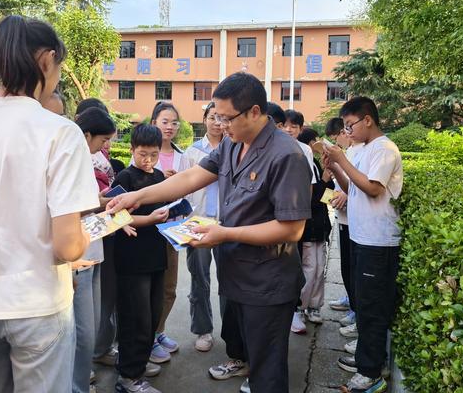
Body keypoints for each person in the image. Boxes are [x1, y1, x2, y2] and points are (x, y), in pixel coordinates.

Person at [108, 73, 312, 393]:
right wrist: (138, 196)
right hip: (237, 275)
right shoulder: (232, 143)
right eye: (216, 117)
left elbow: (292, 228)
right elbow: (191, 177)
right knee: (247, 355)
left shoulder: (287, 154)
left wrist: (225, 234)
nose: (221, 125)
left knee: (267, 371)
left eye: (227, 118)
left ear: (254, 112)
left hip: (267, 283)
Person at [0, 15, 99, 393]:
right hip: (37, 303)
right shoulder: (61, 132)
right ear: (46, 60)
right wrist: (84, 237)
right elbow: (67, 246)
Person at [323, 97, 403, 393]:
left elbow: (372, 188)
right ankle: (367, 360)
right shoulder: (365, 148)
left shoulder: (385, 149)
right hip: (361, 236)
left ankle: (371, 372)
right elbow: (351, 188)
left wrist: (342, 160)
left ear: (367, 120)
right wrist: (335, 167)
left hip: (378, 240)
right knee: (363, 302)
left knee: (372, 307)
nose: (348, 132)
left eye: (350, 125)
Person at [112, 124, 170, 393]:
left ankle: (138, 363)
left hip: (156, 255)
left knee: (152, 315)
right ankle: (128, 377)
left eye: (154, 155)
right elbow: (115, 215)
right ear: (132, 149)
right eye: (143, 154)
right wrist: (148, 219)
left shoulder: (159, 176)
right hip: (132, 260)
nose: (148, 160)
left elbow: (164, 208)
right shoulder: (124, 177)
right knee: (135, 318)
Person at [72, 107, 117, 393]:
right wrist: (103, 203)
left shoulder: (90, 160)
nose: (105, 146)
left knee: (93, 324)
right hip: (78, 256)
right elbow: (72, 210)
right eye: (103, 140)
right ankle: (77, 384)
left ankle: (79, 379)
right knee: (83, 330)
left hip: (95, 248)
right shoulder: (70, 161)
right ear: (86, 135)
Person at [148, 101, 191, 363]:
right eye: (165, 121)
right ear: (154, 122)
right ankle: (148, 337)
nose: (170, 127)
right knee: (150, 287)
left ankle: (158, 331)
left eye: (174, 122)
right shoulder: (142, 151)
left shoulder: (181, 156)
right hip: (147, 228)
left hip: (172, 227)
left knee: (169, 286)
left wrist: (176, 184)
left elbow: (187, 189)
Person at [184, 102, 224, 352]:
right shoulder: (193, 152)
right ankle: (203, 330)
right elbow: (183, 188)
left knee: (229, 280)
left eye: (221, 118)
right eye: (212, 117)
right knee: (199, 279)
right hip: (197, 223)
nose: (217, 123)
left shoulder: (235, 149)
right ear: (204, 120)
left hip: (226, 224)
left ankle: (232, 331)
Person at [325, 118, 363, 347]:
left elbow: (359, 187)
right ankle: (352, 304)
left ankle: (357, 314)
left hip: (355, 222)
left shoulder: (360, 153)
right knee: (347, 269)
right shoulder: (347, 153)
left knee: (355, 271)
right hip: (344, 218)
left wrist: (346, 195)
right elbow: (341, 187)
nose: (338, 143)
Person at [281, 108, 319, 334]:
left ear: (300, 129)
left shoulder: (305, 150)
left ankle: (295, 310)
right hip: (273, 216)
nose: (288, 130)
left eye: (293, 126)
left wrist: (302, 213)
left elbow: (310, 184)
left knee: (294, 263)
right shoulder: (271, 146)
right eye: (285, 125)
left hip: (295, 216)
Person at [297, 127, 335, 325]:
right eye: (316, 140)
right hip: (308, 228)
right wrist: (325, 180)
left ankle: (314, 306)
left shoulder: (316, 164)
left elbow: (326, 197)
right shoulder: (304, 164)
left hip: (320, 226)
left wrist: (327, 179)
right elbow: (310, 201)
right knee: (309, 269)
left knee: (319, 270)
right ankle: (300, 307)